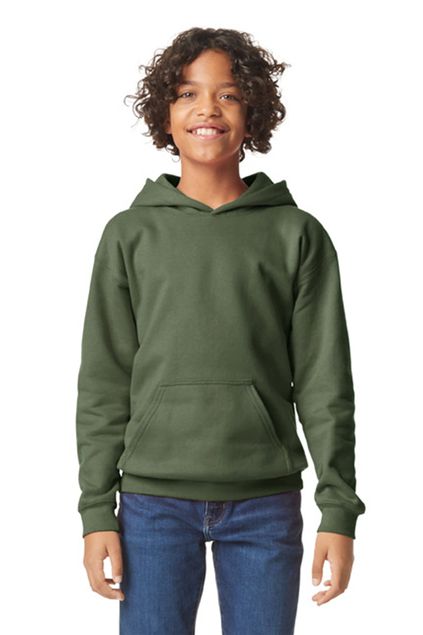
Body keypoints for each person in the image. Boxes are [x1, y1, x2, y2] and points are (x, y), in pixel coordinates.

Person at [75, 27, 366, 634]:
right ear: (164, 114)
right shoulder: (129, 235)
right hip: (152, 506)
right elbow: (104, 382)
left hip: (266, 505)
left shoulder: (296, 234)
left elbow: (325, 384)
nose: (207, 109)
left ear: (253, 113)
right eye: (187, 93)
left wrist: (338, 510)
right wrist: (97, 509)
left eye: (228, 95)